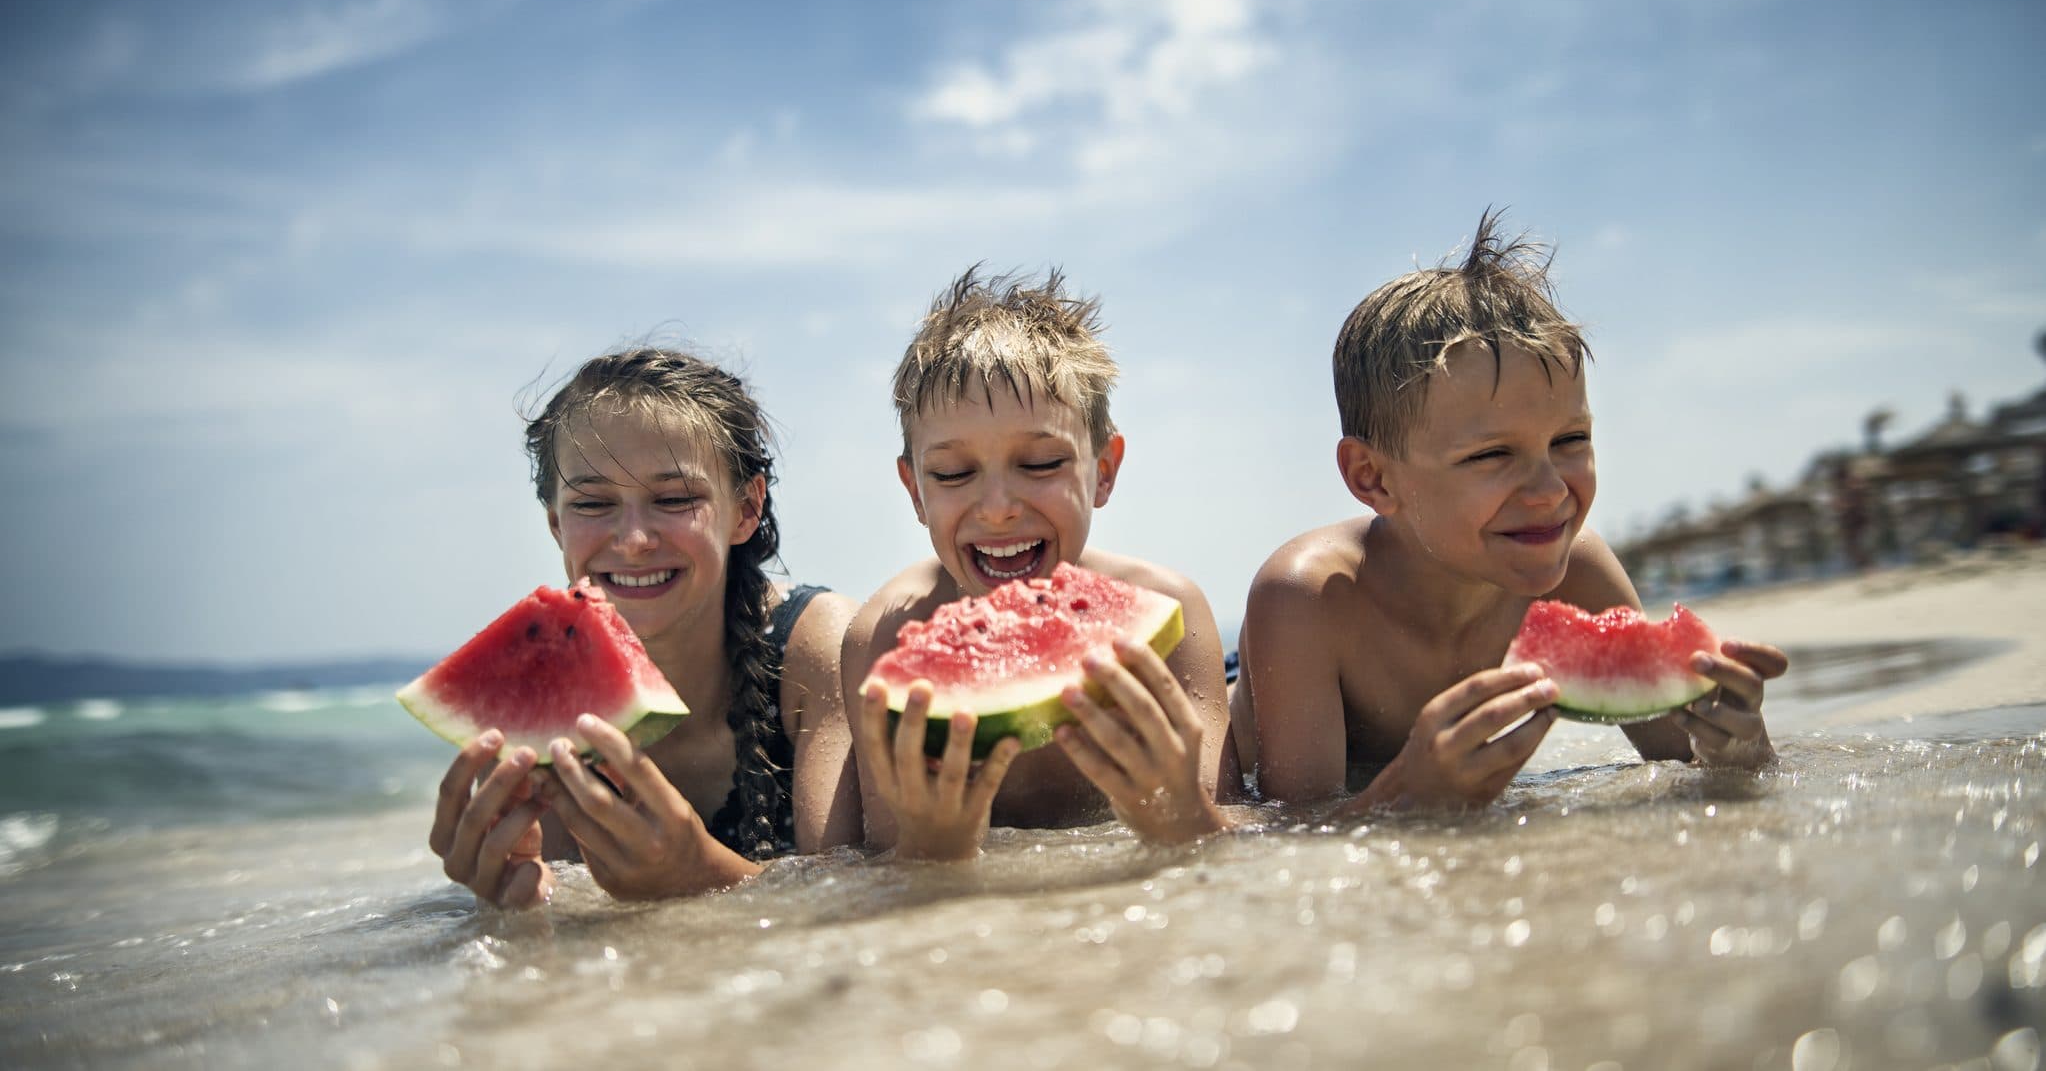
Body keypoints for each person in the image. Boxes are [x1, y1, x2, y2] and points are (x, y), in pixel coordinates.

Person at [1236, 212, 1788, 814]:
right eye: (1493, 454)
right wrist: (1407, 801)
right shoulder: (1309, 597)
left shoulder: (1578, 569)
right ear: (1372, 478)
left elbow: (1682, 760)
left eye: (1570, 441)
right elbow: (1289, 831)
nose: (1549, 490)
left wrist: (1738, 748)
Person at [429, 348, 859, 908]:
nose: (633, 540)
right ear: (557, 525)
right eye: (592, 503)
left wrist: (698, 871)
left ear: (746, 509)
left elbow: (857, 903)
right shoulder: (534, 701)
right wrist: (519, 905)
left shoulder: (819, 646)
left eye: (675, 498)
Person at [841, 268, 1235, 861]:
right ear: (915, 491)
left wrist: (1183, 814)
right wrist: (932, 848)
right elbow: (882, 868)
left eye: (1043, 463)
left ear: (1103, 469)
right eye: (952, 474)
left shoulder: (1171, 616)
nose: (998, 509)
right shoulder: (883, 641)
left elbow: (1229, 841)